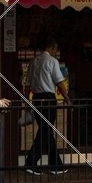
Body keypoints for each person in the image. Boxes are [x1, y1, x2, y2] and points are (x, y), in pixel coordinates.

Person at [24, 37, 67, 175]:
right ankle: (30, 163)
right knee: (45, 131)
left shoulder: (33, 61)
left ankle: (56, 165)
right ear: (53, 48)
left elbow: (27, 84)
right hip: (48, 98)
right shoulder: (52, 61)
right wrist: (67, 98)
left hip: (36, 98)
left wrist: (27, 100)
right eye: (55, 50)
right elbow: (59, 82)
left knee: (45, 130)